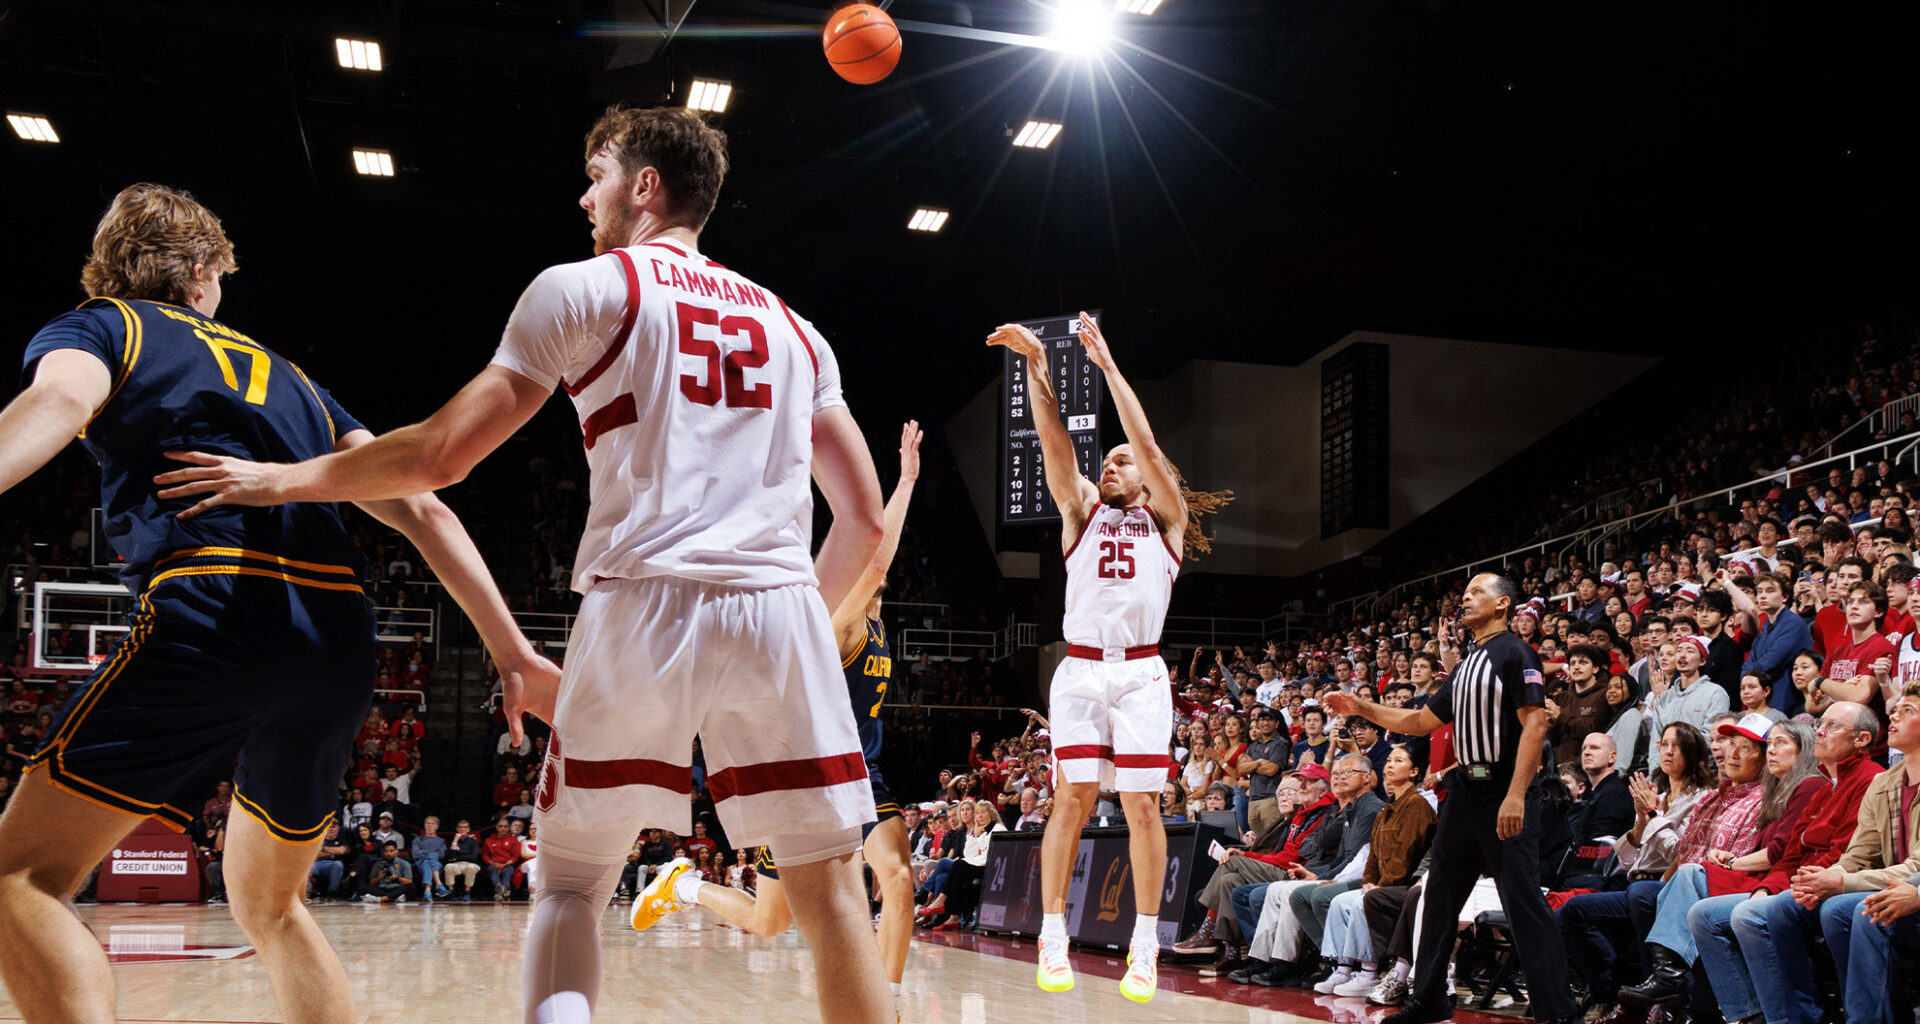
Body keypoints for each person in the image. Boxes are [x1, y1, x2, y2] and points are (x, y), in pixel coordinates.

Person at [154, 106, 894, 1024]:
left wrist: (284, 480)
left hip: (643, 602)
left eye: (597, 175)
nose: (585, 196)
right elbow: (861, 521)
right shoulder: (798, 330)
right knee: (827, 900)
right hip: (780, 610)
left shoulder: (585, 289)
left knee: (573, 883)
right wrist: (804, 637)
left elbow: (439, 457)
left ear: (645, 186)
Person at [0, 183, 554, 1024]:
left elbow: (59, 401)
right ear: (200, 268)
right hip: (337, 640)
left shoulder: (104, 324)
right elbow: (422, 506)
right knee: (272, 907)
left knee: (18, 876)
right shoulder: (295, 380)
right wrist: (512, 652)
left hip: (215, 608)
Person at [633, 422, 924, 1001]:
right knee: (770, 922)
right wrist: (907, 480)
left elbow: (876, 561)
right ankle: (683, 887)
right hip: (805, 782)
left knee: (897, 877)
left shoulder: (879, 626)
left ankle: (888, 1004)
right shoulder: (838, 622)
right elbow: (872, 551)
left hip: (863, 777)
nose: (877, 566)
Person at [987, 312, 1190, 1003]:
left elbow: (1148, 444)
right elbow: (1054, 446)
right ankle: (1051, 937)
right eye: (1105, 460)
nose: (1110, 463)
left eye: (1119, 461)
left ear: (1148, 479)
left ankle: (1143, 946)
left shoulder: (1168, 521)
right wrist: (1038, 370)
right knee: (1069, 800)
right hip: (1077, 670)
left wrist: (1106, 366)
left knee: (1140, 806)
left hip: (1139, 671)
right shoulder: (1081, 509)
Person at [1322, 573, 1580, 1024]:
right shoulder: (1466, 664)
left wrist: (1517, 794)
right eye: (1465, 592)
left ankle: (1559, 1013)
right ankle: (1429, 998)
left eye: (1477, 592)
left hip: (1505, 788)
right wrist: (1362, 707)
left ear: (1502, 605)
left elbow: (1535, 723)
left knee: (1521, 899)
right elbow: (1421, 720)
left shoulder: (1516, 652)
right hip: (1465, 790)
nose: (1465, 597)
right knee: (1437, 896)